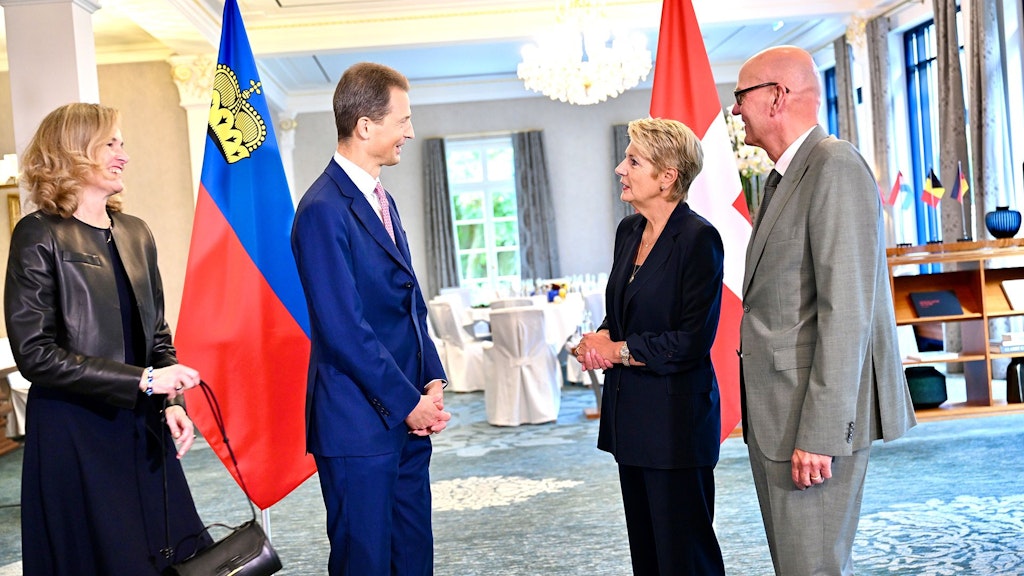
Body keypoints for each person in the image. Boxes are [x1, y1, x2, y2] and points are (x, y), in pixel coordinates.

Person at [733, 46, 917, 575]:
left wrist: (820, 433)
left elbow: (847, 312)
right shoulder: (787, 175)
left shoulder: (833, 166)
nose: (736, 110)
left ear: (776, 98)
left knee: (811, 569)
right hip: (779, 414)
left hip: (808, 422)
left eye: (741, 96)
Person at [4, 103, 208, 574]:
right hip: (75, 430)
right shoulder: (38, 234)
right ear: (75, 151)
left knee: (176, 553)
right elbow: (36, 355)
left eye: (123, 143)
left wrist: (172, 402)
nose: (124, 155)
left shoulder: (136, 232)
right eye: (111, 143)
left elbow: (157, 334)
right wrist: (143, 380)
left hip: (143, 424)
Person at [291, 62, 451, 576]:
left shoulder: (381, 196)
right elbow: (343, 330)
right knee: (365, 562)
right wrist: (410, 403)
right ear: (365, 126)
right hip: (357, 424)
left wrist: (431, 378)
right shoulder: (321, 209)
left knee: (412, 558)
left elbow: (409, 300)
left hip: (405, 417)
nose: (409, 131)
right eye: (402, 120)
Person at [576, 117, 727, 575]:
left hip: (678, 424)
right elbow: (623, 313)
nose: (620, 169)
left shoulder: (699, 239)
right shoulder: (629, 231)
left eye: (633, 160)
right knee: (648, 554)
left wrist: (617, 350)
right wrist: (599, 340)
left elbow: (691, 340)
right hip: (633, 418)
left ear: (668, 177)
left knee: (686, 556)